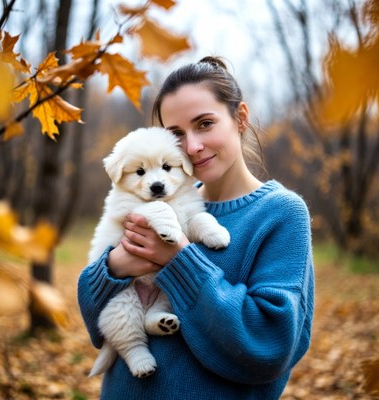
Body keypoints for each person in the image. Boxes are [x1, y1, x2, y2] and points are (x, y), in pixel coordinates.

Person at [78, 56, 314, 400]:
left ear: (240, 118)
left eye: (204, 124)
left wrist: (179, 260)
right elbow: (94, 322)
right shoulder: (159, 200)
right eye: (176, 134)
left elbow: (269, 345)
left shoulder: (281, 213)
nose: (191, 147)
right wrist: (114, 268)